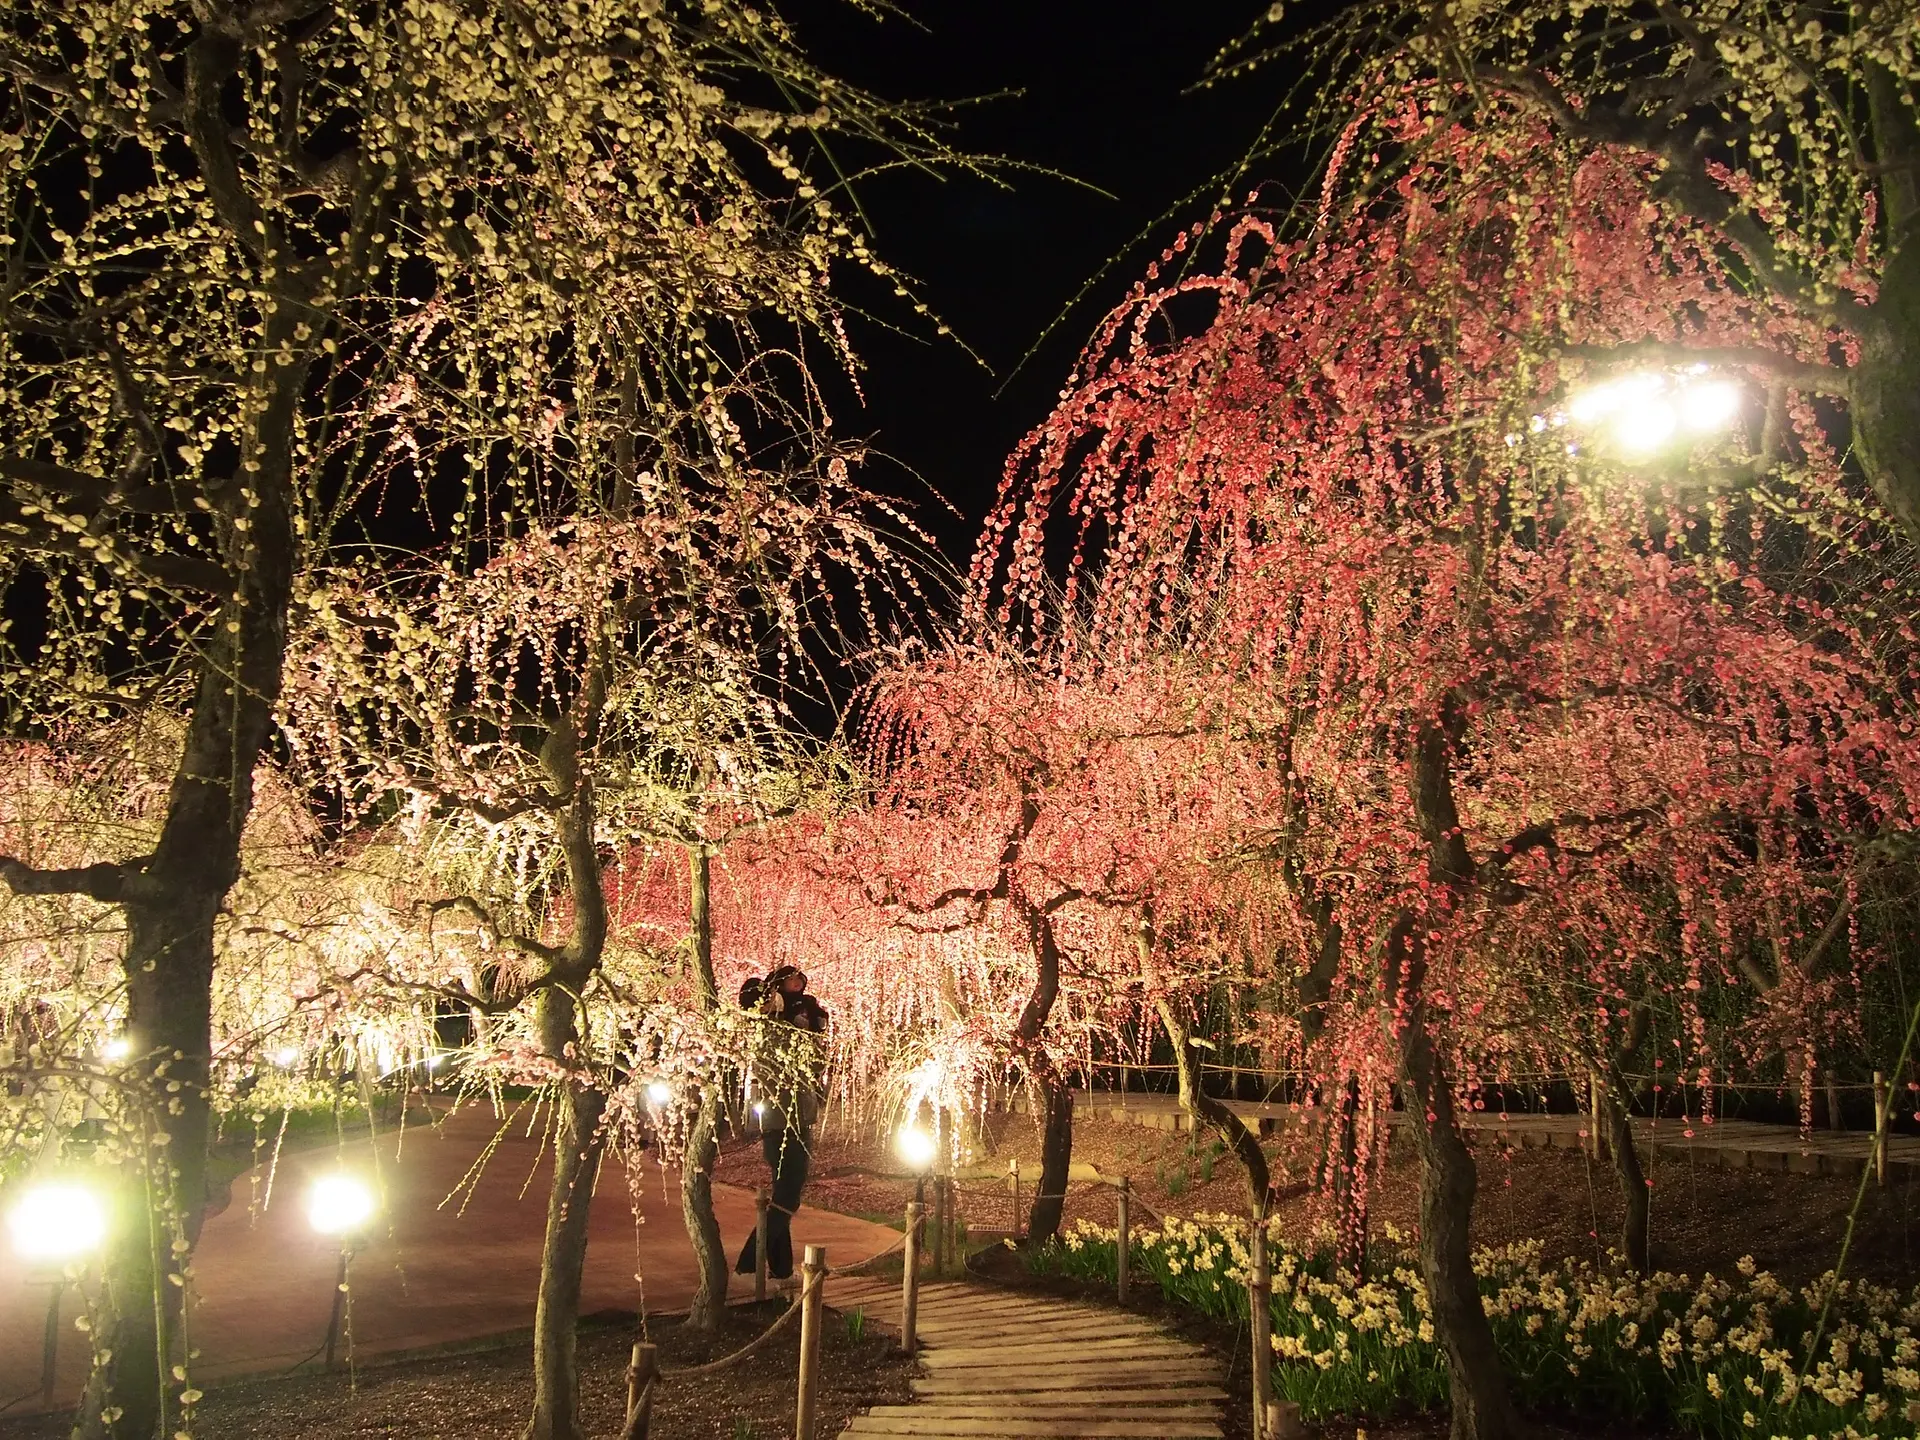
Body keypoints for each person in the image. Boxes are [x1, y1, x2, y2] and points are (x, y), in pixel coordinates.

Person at [734, 966, 827, 1281]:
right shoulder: (773, 1030)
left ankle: (781, 1266)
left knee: (782, 1192)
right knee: (788, 1194)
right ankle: (751, 1258)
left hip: (793, 1116)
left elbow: (815, 1054)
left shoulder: (796, 1022)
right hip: (785, 1118)